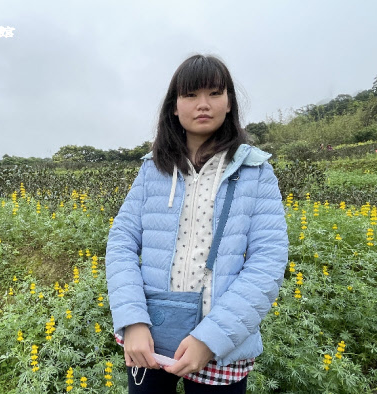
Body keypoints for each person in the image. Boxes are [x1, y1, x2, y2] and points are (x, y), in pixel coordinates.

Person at [105, 54, 289, 393]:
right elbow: (121, 242)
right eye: (190, 95)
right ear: (174, 106)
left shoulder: (256, 172)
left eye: (215, 94)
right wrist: (132, 321)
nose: (202, 104)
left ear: (230, 102)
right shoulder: (152, 169)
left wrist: (211, 338)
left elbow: (268, 262)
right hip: (150, 337)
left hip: (222, 346)